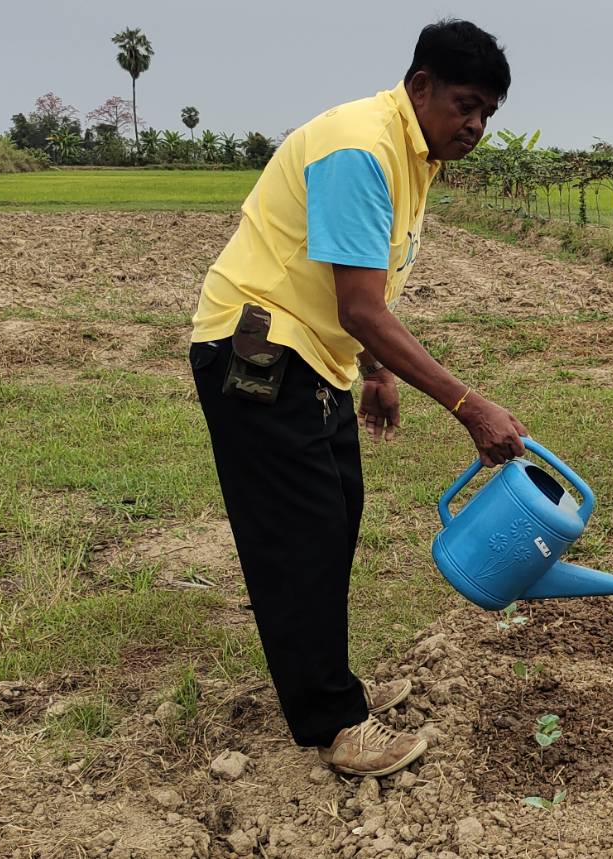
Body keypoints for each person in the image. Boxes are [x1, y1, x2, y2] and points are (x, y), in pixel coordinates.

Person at [187, 20, 527, 777]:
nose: (474, 125)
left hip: (313, 354)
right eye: (465, 104)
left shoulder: (414, 154)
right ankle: (333, 722)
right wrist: (467, 403)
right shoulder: (361, 147)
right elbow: (360, 306)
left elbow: (356, 287)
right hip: (260, 350)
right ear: (420, 88)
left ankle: (332, 684)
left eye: (487, 114)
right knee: (299, 536)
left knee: (334, 518)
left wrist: (373, 370)